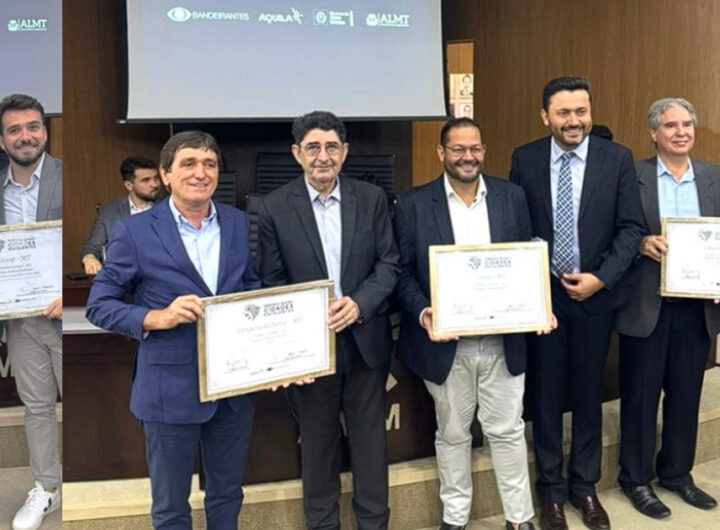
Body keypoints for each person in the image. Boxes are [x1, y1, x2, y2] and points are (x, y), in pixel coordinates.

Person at [86, 130, 260, 529]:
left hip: (233, 387)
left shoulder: (237, 222)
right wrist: (155, 317)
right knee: (170, 507)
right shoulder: (134, 231)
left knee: (227, 494)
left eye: (210, 164)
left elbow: (251, 285)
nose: (201, 173)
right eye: (189, 164)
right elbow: (99, 305)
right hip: (169, 389)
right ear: (166, 174)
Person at [394, 117, 548, 530]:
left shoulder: (511, 196)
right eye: (458, 149)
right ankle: (455, 518)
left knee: (508, 431)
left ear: (484, 150)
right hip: (446, 343)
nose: (468, 157)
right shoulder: (413, 204)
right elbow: (402, 273)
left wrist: (538, 303)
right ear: (441, 152)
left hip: (503, 340)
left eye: (475, 148)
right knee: (452, 433)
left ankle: (519, 518)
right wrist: (424, 312)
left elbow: (526, 258)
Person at [509, 76, 646, 530]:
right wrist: (531, 284)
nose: (574, 120)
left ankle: (584, 487)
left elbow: (631, 228)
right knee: (545, 395)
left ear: (590, 112)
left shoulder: (617, 158)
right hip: (543, 298)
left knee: (589, 393)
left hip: (595, 296)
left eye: (581, 111)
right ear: (545, 116)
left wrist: (600, 279)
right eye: (564, 112)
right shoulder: (525, 159)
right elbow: (516, 226)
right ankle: (550, 491)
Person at [257, 110, 399, 530]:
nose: (323, 156)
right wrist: (302, 323)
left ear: (345, 151)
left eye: (332, 146)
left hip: (365, 341)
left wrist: (359, 303)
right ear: (297, 153)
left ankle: (374, 524)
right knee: (318, 446)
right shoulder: (274, 207)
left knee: (370, 444)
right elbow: (272, 283)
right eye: (313, 147)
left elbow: (389, 264)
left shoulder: (371, 199)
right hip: (309, 350)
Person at [616, 98, 720, 519]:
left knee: (686, 394)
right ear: (653, 133)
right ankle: (636, 479)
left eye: (687, 125)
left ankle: (677, 474)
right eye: (671, 125)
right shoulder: (632, 176)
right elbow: (614, 231)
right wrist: (641, 243)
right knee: (640, 396)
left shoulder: (714, 178)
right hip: (647, 303)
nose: (681, 132)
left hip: (697, 308)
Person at [0, 94, 62, 530]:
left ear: (45, 130)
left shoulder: (66, 176)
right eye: (14, 129)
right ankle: (46, 487)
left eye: (33, 126)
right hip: (19, 321)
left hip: (64, 315)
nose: (25, 136)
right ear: (2, 140)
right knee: (37, 407)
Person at [81, 155, 161, 274]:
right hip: (122, 279)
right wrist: (89, 258)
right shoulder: (109, 211)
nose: (154, 184)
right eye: (146, 180)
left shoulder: (169, 208)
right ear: (129, 185)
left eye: (156, 178)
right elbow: (92, 247)